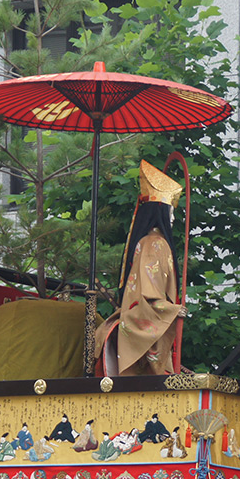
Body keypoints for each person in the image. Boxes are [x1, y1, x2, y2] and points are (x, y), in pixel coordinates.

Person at [95, 160, 185, 376]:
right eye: (170, 211)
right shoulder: (155, 244)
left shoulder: (147, 242)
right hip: (144, 319)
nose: (173, 218)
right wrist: (172, 309)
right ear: (160, 212)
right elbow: (150, 294)